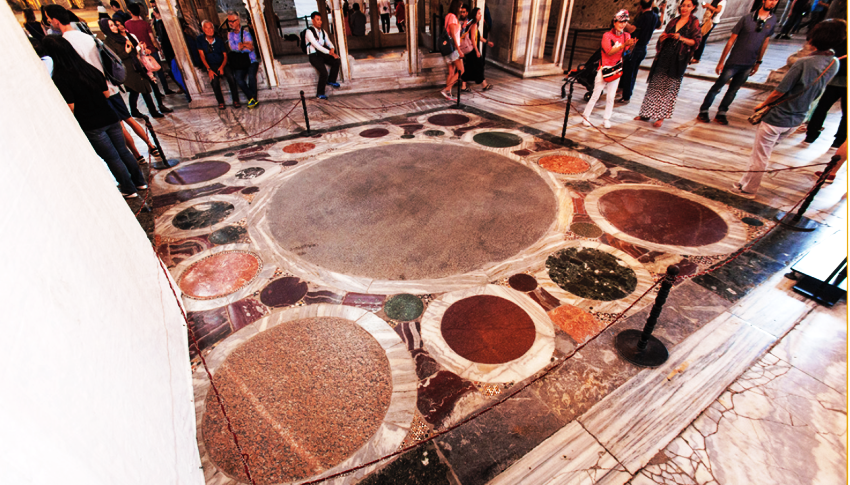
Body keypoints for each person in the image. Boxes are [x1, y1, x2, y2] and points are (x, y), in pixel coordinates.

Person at [731, 19, 844, 199]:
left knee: (760, 155)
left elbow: (780, 91)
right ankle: (744, 181)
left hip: (778, 116)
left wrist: (763, 104)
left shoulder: (803, 63)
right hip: (797, 118)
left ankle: (749, 188)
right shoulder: (834, 63)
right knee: (762, 153)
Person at [42, 35, 147, 199]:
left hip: (91, 124)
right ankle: (140, 182)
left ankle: (128, 188)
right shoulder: (89, 69)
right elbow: (106, 93)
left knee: (112, 157)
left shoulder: (60, 78)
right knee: (123, 151)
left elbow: (70, 108)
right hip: (110, 116)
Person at [697, 0, 778, 125]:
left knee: (734, 90)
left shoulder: (772, 20)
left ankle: (722, 112)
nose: (773, 2)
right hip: (734, 60)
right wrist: (721, 61)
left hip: (749, 62)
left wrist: (758, 62)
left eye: (776, 0)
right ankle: (704, 110)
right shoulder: (747, 19)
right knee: (718, 86)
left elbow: (765, 42)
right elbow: (731, 40)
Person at [635, 0, 701, 128]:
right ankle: (646, 113)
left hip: (678, 59)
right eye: (683, 5)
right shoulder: (674, 21)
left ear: (693, 7)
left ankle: (661, 116)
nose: (684, 8)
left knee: (669, 87)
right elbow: (663, 33)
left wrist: (680, 38)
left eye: (688, 6)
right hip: (664, 55)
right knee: (655, 84)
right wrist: (662, 38)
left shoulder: (694, 22)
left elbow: (696, 42)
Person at [582, 10, 635, 128]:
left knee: (611, 96)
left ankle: (606, 118)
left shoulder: (627, 35)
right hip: (604, 68)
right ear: (614, 22)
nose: (622, 24)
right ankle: (586, 116)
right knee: (595, 94)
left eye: (625, 22)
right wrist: (623, 45)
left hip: (616, 68)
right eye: (620, 21)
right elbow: (609, 51)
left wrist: (630, 46)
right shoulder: (607, 36)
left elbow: (626, 53)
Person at [804, 34, 846, 148]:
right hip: (837, 80)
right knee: (826, 109)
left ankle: (811, 135)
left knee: (822, 107)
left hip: (835, 78)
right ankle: (838, 140)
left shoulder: (842, 38)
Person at [619, 0, 664, 104]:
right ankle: (622, 90)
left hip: (636, 47)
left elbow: (631, 29)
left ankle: (626, 96)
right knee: (631, 71)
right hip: (643, 48)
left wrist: (622, 21)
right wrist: (662, 11)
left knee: (629, 72)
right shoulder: (654, 15)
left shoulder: (643, 17)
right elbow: (660, 26)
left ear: (640, 6)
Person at [125, 3, 174, 95]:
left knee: (149, 74)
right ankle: (166, 89)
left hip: (139, 52)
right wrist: (159, 49)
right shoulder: (145, 24)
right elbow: (152, 38)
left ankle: (157, 93)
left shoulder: (127, 24)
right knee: (159, 71)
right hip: (151, 50)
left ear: (130, 12)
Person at [197, 20, 241, 109]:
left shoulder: (219, 40)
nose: (210, 30)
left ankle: (236, 100)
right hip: (211, 65)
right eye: (207, 28)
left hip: (222, 63)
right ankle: (220, 102)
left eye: (211, 28)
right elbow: (202, 56)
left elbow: (225, 56)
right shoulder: (200, 39)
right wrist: (209, 69)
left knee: (231, 77)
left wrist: (222, 67)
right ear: (203, 29)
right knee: (214, 81)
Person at [226, 12, 260, 109]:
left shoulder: (246, 33)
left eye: (233, 21)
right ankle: (252, 98)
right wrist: (242, 45)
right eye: (229, 21)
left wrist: (241, 46)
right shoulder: (230, 35)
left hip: (250, 60)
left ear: (238, 21)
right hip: (239, 62)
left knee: (251, 76)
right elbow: (232, 47)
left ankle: (252, 99)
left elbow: (250, 49)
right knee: (238, 78)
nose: (231, 23)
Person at [305, 12, 341, 100]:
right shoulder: (309, 32)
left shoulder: (323, 32)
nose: (320, 22)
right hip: (313, 55)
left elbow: (328, 42)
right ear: (312, 21)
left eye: (320, 20)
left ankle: (331, 80)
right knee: (324, 72)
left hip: (322, 54)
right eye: (317, 20)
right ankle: (320, 93)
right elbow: (317, 46)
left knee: (336, 61)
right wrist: (330, 53)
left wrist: (332, 48)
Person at [460, 7, 494, 92]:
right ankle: (484, 84)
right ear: (475, 15)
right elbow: (472, 38)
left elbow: (478, 37)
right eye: (479, 13)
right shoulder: (473, 24)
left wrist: (487, 42)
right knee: (479, 66)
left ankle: (464, 86)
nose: (481, 15)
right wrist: (477, 51)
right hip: (472, 49)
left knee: (470, 67)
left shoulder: (471, 23)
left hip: (470, 50)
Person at [440, 0, 464, 101]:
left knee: (451, 72)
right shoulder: (453, 17)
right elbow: (453, 35)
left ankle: (448, 94)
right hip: (453, 49)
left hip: (448, 49)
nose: (461, 9)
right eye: (460, 7)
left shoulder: (447, 16)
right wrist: (459, 50)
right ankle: (447, 89)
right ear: (456, 7)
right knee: (461, 70)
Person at [691, 0, 725, 65]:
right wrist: (706, 6)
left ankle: (697, 57)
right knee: (700, 37)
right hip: (707, 20)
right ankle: (694, 55)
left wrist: (708, 5)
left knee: (702, 38)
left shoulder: (722, 1)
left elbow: (718, 10)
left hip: (711, 22)